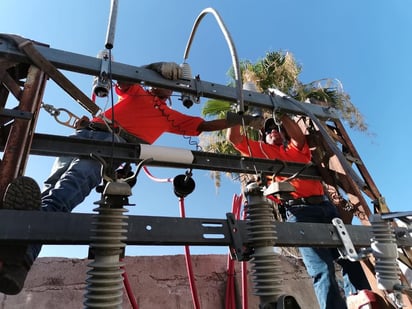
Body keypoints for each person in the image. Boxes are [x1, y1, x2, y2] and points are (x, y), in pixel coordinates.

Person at [0, 62, 262, 295]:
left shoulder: (173, 118)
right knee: (49, 190)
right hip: (87, 133)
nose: (167, 87)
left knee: (65, 192)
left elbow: (204, 126)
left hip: (113, 145)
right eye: (165, 81)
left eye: (172, 85)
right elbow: (126, 80)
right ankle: (12, 249)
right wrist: (154, 68)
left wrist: (238, 120)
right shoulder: (139, 91)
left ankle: (19, 261)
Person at [227, 114, 371, 309]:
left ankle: (361, 302)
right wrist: (240, 114)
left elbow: (298, 136)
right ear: (263, 138)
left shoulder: (296, 148)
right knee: (322, 269)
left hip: (326, 208)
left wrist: (280, 114)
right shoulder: (261, 152)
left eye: (275, 128)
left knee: (352, 260)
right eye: (268, 131)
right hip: (299, 211)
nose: (272, 131)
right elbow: (234, 138)